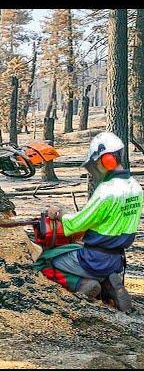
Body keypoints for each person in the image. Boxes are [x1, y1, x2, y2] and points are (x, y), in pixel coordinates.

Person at [45, 131, 142, 312]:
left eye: (97, 163)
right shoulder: (135, 187)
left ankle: (84, 283)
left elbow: (76, 224)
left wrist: (58, 214)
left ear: (106, 159)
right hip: (117, 259)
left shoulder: (106, 191)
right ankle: (109, 284)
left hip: (94, 259)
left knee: (48, 260)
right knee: (81, 253)